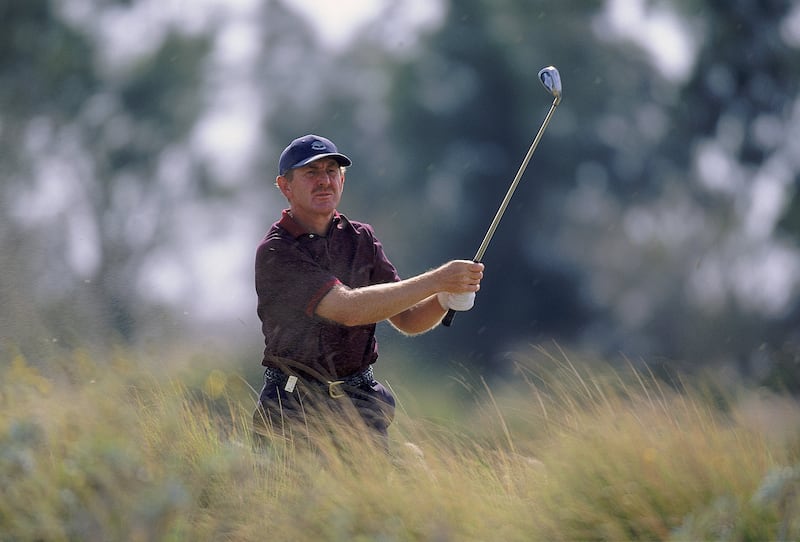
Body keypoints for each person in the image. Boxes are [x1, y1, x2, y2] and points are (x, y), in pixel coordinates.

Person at [252, 134, 484, 451]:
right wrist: (438, 280)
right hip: (294, 409)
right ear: (285, 186)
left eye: (331, 171)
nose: (324, 181)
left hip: (359, 405)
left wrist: (445, 297)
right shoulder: (278, 251)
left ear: (342, 180)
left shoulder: (360, 238)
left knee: (381, 494)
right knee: (300, 499)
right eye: (311, 173)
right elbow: (347, 309)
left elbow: (409, 319)